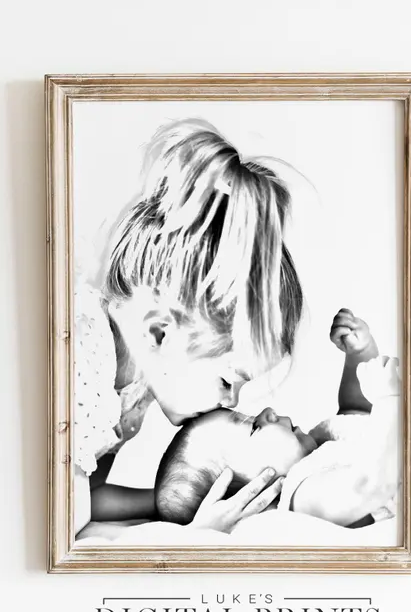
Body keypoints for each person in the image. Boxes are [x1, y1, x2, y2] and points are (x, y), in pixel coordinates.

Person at [73, 118, 303, 537]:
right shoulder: (82, 367)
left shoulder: (136, 385)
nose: (232, 401)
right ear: (160, 333)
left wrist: (190, 506)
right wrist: (188, 540)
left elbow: (86, 497)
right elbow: (62, 523)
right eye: (228, 380)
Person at [155, 309, 400, 531]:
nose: (267, 412)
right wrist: (389, 398)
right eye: (253, 427)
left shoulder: (319, 442)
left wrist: (359, 354)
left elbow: (356, 411)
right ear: (250, 496)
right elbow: (371, 485)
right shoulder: (302, 495)